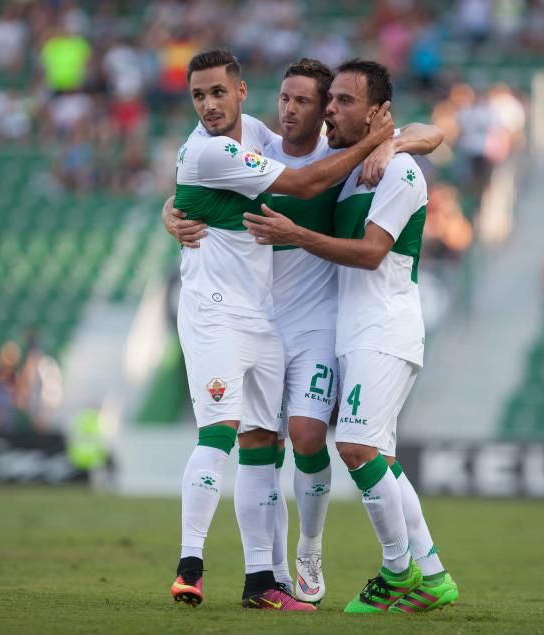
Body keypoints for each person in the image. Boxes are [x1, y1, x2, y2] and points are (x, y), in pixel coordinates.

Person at [165, 57, 442, 604]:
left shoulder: (338, 155)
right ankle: (267, 578)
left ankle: (309, 550)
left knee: (309, 436)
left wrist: (392, 143)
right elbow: (197, 180)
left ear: (324, 112)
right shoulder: (260, 148)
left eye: (307, 102)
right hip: (261, 319)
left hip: (320, 322)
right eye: (285, 100)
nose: (290, 110)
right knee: (258, 451)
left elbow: (428, 131)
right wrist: (171, 210)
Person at [244, 59, 459, 614]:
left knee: (356, 446)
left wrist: (297, 233)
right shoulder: (349, 170)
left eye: (343, 101)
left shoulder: (399, 173)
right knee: (380, 458)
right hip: (353, 332)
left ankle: (396, 569)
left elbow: (369, 254)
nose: (330, 110)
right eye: (330, 100)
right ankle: (432, 573)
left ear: (378, 112)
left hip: (384, 330)